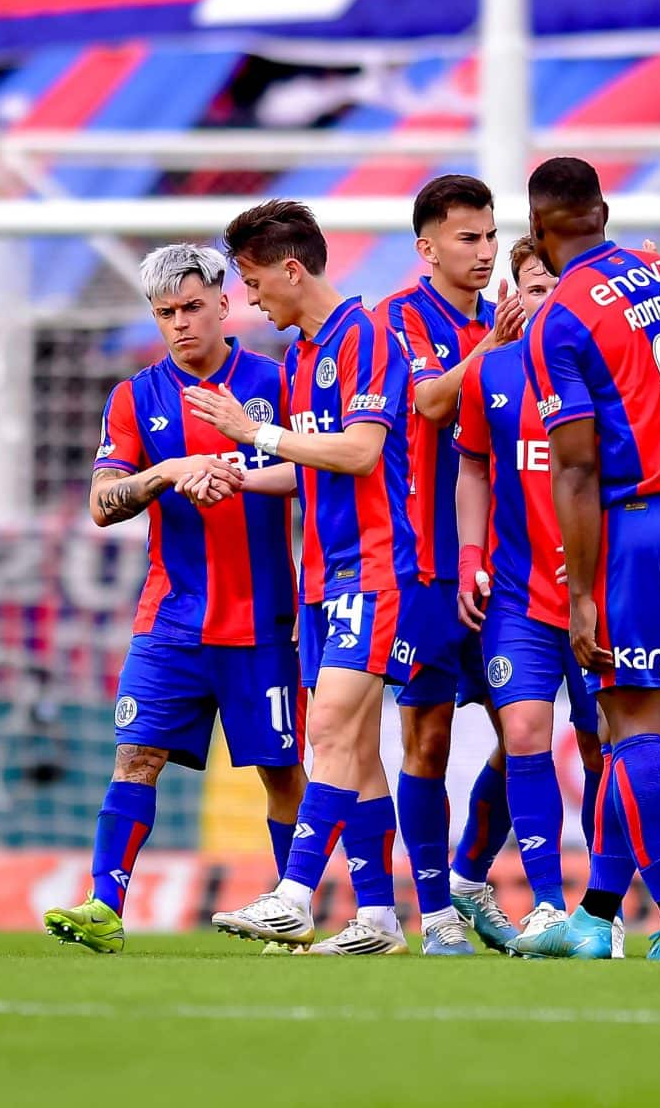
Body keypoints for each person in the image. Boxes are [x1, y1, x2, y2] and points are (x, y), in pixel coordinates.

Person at [508, 158, 660, 962]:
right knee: (632, 737)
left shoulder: (560, 321)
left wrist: (580, 595)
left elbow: (575, 469)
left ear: (538, 227)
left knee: (637, 729)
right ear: (604, 211)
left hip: (638, 528)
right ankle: (597, 914)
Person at [43, 245, 306, 954]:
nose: (181, 324)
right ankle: (105, 904)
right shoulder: (134, 398)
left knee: (283, 773)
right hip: (172, 621)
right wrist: (169, 472)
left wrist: (243, 473)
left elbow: (319, 475)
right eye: (166, 313)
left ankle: (294, 909)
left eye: (192, 307)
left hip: (265, 622)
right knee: (135, 758)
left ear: (225, 303)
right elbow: (103, 504)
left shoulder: (277, 385)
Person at [191, 200, 423, 955]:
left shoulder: (371, 337)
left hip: (378, 568)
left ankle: (294, 895)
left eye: (255, 281)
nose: (250, 298)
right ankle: (379, 920)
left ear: (293, 269)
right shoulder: (300, 359)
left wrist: (253, 430)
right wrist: (234, 471)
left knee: (327, 730)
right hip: (322, 577)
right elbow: (307, 468)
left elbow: (357, 452)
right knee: (351, 750)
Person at [379, 175, 527, 955]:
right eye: (468, 238)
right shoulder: (394, 321)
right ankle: (434, 911)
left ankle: (472, 874)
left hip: (506, 568)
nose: (485, 251)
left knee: (525, 733)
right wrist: (497, 349)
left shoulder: (508, 320)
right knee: (427, 742)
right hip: (426, 568)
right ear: (426, 247)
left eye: (491, 236)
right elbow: (429, 404)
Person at [454, 237, 606, 954]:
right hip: (517, 596)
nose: (546, 304)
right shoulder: (493, 371)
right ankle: (547, 904)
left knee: (610, 749)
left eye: (557, 290)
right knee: (522, 735)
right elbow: (475, 468)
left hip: (600, 590)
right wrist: (470, 557)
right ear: (515, 296)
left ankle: (600, 908)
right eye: (534, 290)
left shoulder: (610, 368)